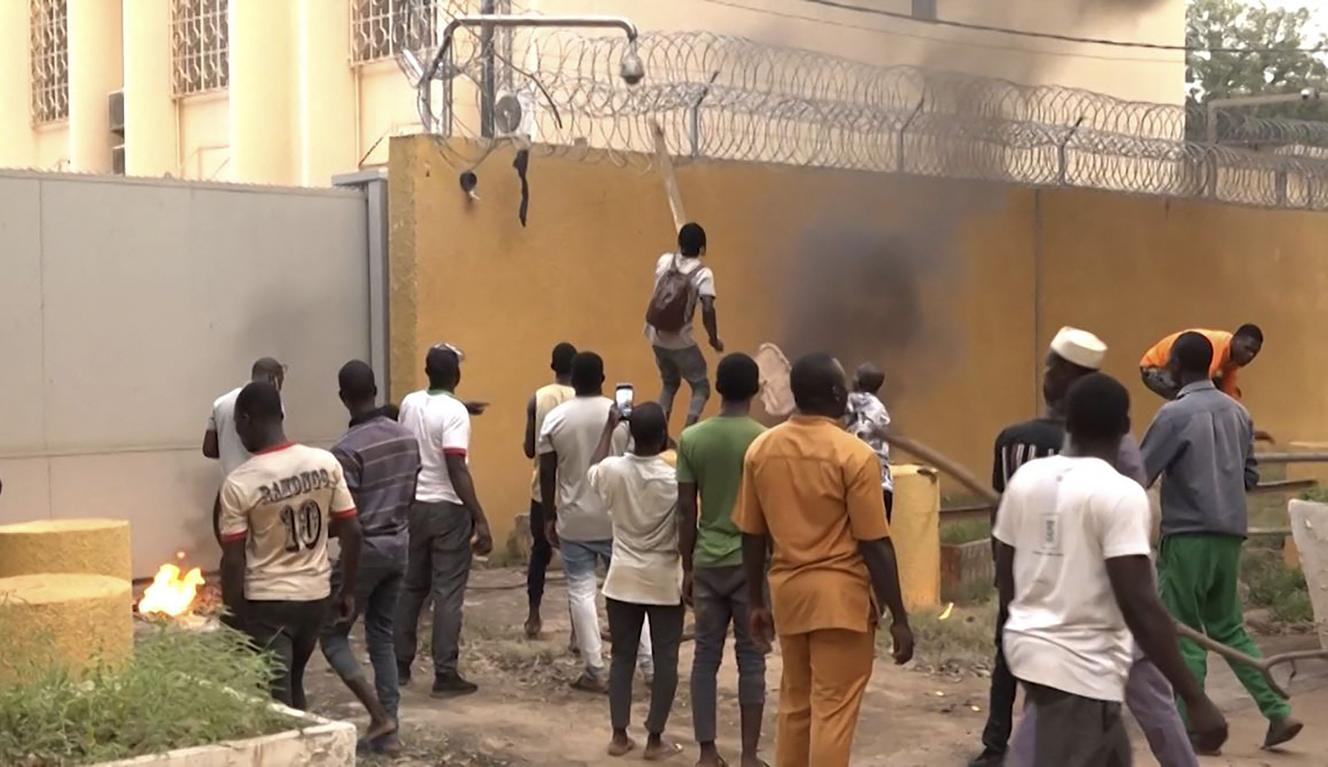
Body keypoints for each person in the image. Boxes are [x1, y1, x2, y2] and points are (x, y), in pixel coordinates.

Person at [972, 327, 1195, 767]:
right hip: (1072, 622)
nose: (1046, 376)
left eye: (1054, 369)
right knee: (1094, 724)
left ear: (1073, 380)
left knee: (1137, 708)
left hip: (1107, 609)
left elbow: (1121, 530)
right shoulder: (1043, 467)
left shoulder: (1114, 457)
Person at [733, 353, 913, 767]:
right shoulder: (854, 455)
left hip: (789, 597)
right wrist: (900, 617)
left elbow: (752, 533)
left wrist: (757, 602)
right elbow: (875, 544)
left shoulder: (761, 449)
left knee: (797, 706)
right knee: (833, 712)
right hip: (841, 602)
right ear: (835, 394)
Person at [1142, 331, 1301, 751]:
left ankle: (1189, 727)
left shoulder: (1172, 415)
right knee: (1230, 628)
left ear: (1174, 367)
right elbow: (1250, 476)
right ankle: (1278, 710)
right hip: (1230, 535)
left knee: (1184, 630)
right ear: (1212, 367)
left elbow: (1141, 473)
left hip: (1187, 535)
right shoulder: (1238, 413)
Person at [218, 382, 362, 710]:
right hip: (314, 597)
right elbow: (352, 530)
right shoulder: (325, 463)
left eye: (238, 425)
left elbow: (234, 559)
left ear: (247, 418)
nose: (238, 434)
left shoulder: (241, 482)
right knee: (293, 682)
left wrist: (233, 614)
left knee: (276, 698)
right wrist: (348, 591)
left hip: (269, 603)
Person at [317, 361, 420, 755]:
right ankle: (389, 734)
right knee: (381, 633)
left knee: (332, 632)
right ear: (376, 390)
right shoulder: (406, 438)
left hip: (367, 550)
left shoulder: (346, 450)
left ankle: (379, 715)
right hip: (400, 545)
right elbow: (410, 494)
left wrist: (345, 585)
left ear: (343, 397)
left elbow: (349, 521)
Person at [538, 351, 651, 692]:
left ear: (572, 379)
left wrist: (548, 516)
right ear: (604, 379)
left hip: (575, 518)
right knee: (632, 592)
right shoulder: (621, 417)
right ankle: (649, 666)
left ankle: (594, 670)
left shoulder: (555, 418)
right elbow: (637, 460)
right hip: (617, 517)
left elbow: (546, 472)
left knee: (581, 591)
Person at [678, 353, 769, 767]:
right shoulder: (765, 440)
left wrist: (687, 567)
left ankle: (707, 753)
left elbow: (685, 510)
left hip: (708, 561)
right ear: (755, 390)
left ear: (716, 388)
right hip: (750, 565)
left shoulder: (692, 439)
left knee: (705, 657)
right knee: (752, 659)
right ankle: (749, 755)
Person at [587, 402, 686, 760]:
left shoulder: (613, 470)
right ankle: (655, 739)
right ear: (663, 435)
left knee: (622, 658)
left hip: (623, 578)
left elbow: (593, 468)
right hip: (663, 579)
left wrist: (609, 428)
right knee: (666, 659)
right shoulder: (674, 478)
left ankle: (619, 735)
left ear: (628, 433)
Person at [396, 345, 494, 698]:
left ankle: (399, 666)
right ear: (457, 376)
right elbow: (456, 466)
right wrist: (479, 518)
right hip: (447, 509)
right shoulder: (454, 413)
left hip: (414, 504)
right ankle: (445, 672)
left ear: (426, 371)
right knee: (448, 593)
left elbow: (423, 424)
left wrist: (459, 409)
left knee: (411, 588)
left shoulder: (410, 403)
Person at [523, 341, 578, 639]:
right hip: (576, 489)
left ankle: (533, 616)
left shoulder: (538, 398)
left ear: (552, 366)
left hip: (542, 490)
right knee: (578, 562)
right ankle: (575, 629)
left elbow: (530, 449)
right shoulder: (584, 397)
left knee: (539, 553)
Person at [645, 222, 723, 428]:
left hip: (655, 336)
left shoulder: (664, 261)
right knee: (701, 386)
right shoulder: (703, 274)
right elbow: (707, 308)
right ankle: (688, 431)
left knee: (669, 384)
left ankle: (659, 433)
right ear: (702, 248)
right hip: (681, 341)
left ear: (679, 243)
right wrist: (713, 339)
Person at [204, 357, 285, 541]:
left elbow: (208, 448)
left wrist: (230, 451)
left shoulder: (221, 403)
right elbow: (276, 444)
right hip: (263, 489)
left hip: (229, 486)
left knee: (232, 548)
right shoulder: (273, 404)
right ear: (274, 378)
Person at [1139, 324, 1262, 401]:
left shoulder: (1232, 358)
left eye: (1254, 352)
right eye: (1247, 348)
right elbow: (1200, 387)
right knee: (1195, 396)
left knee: (1218, 393)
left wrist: (1239, 422)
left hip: (1177, 370)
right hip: (1155, 369)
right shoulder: (1216, 348)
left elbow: (1228, 393)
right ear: (1235, 339)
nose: (1250, 355)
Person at [845, 362, 894, 522]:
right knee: (879, 539)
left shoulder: (846, 402)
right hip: (881, 483)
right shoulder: (880, 410)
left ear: (857, 381)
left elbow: (859, 433)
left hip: (856, 483)